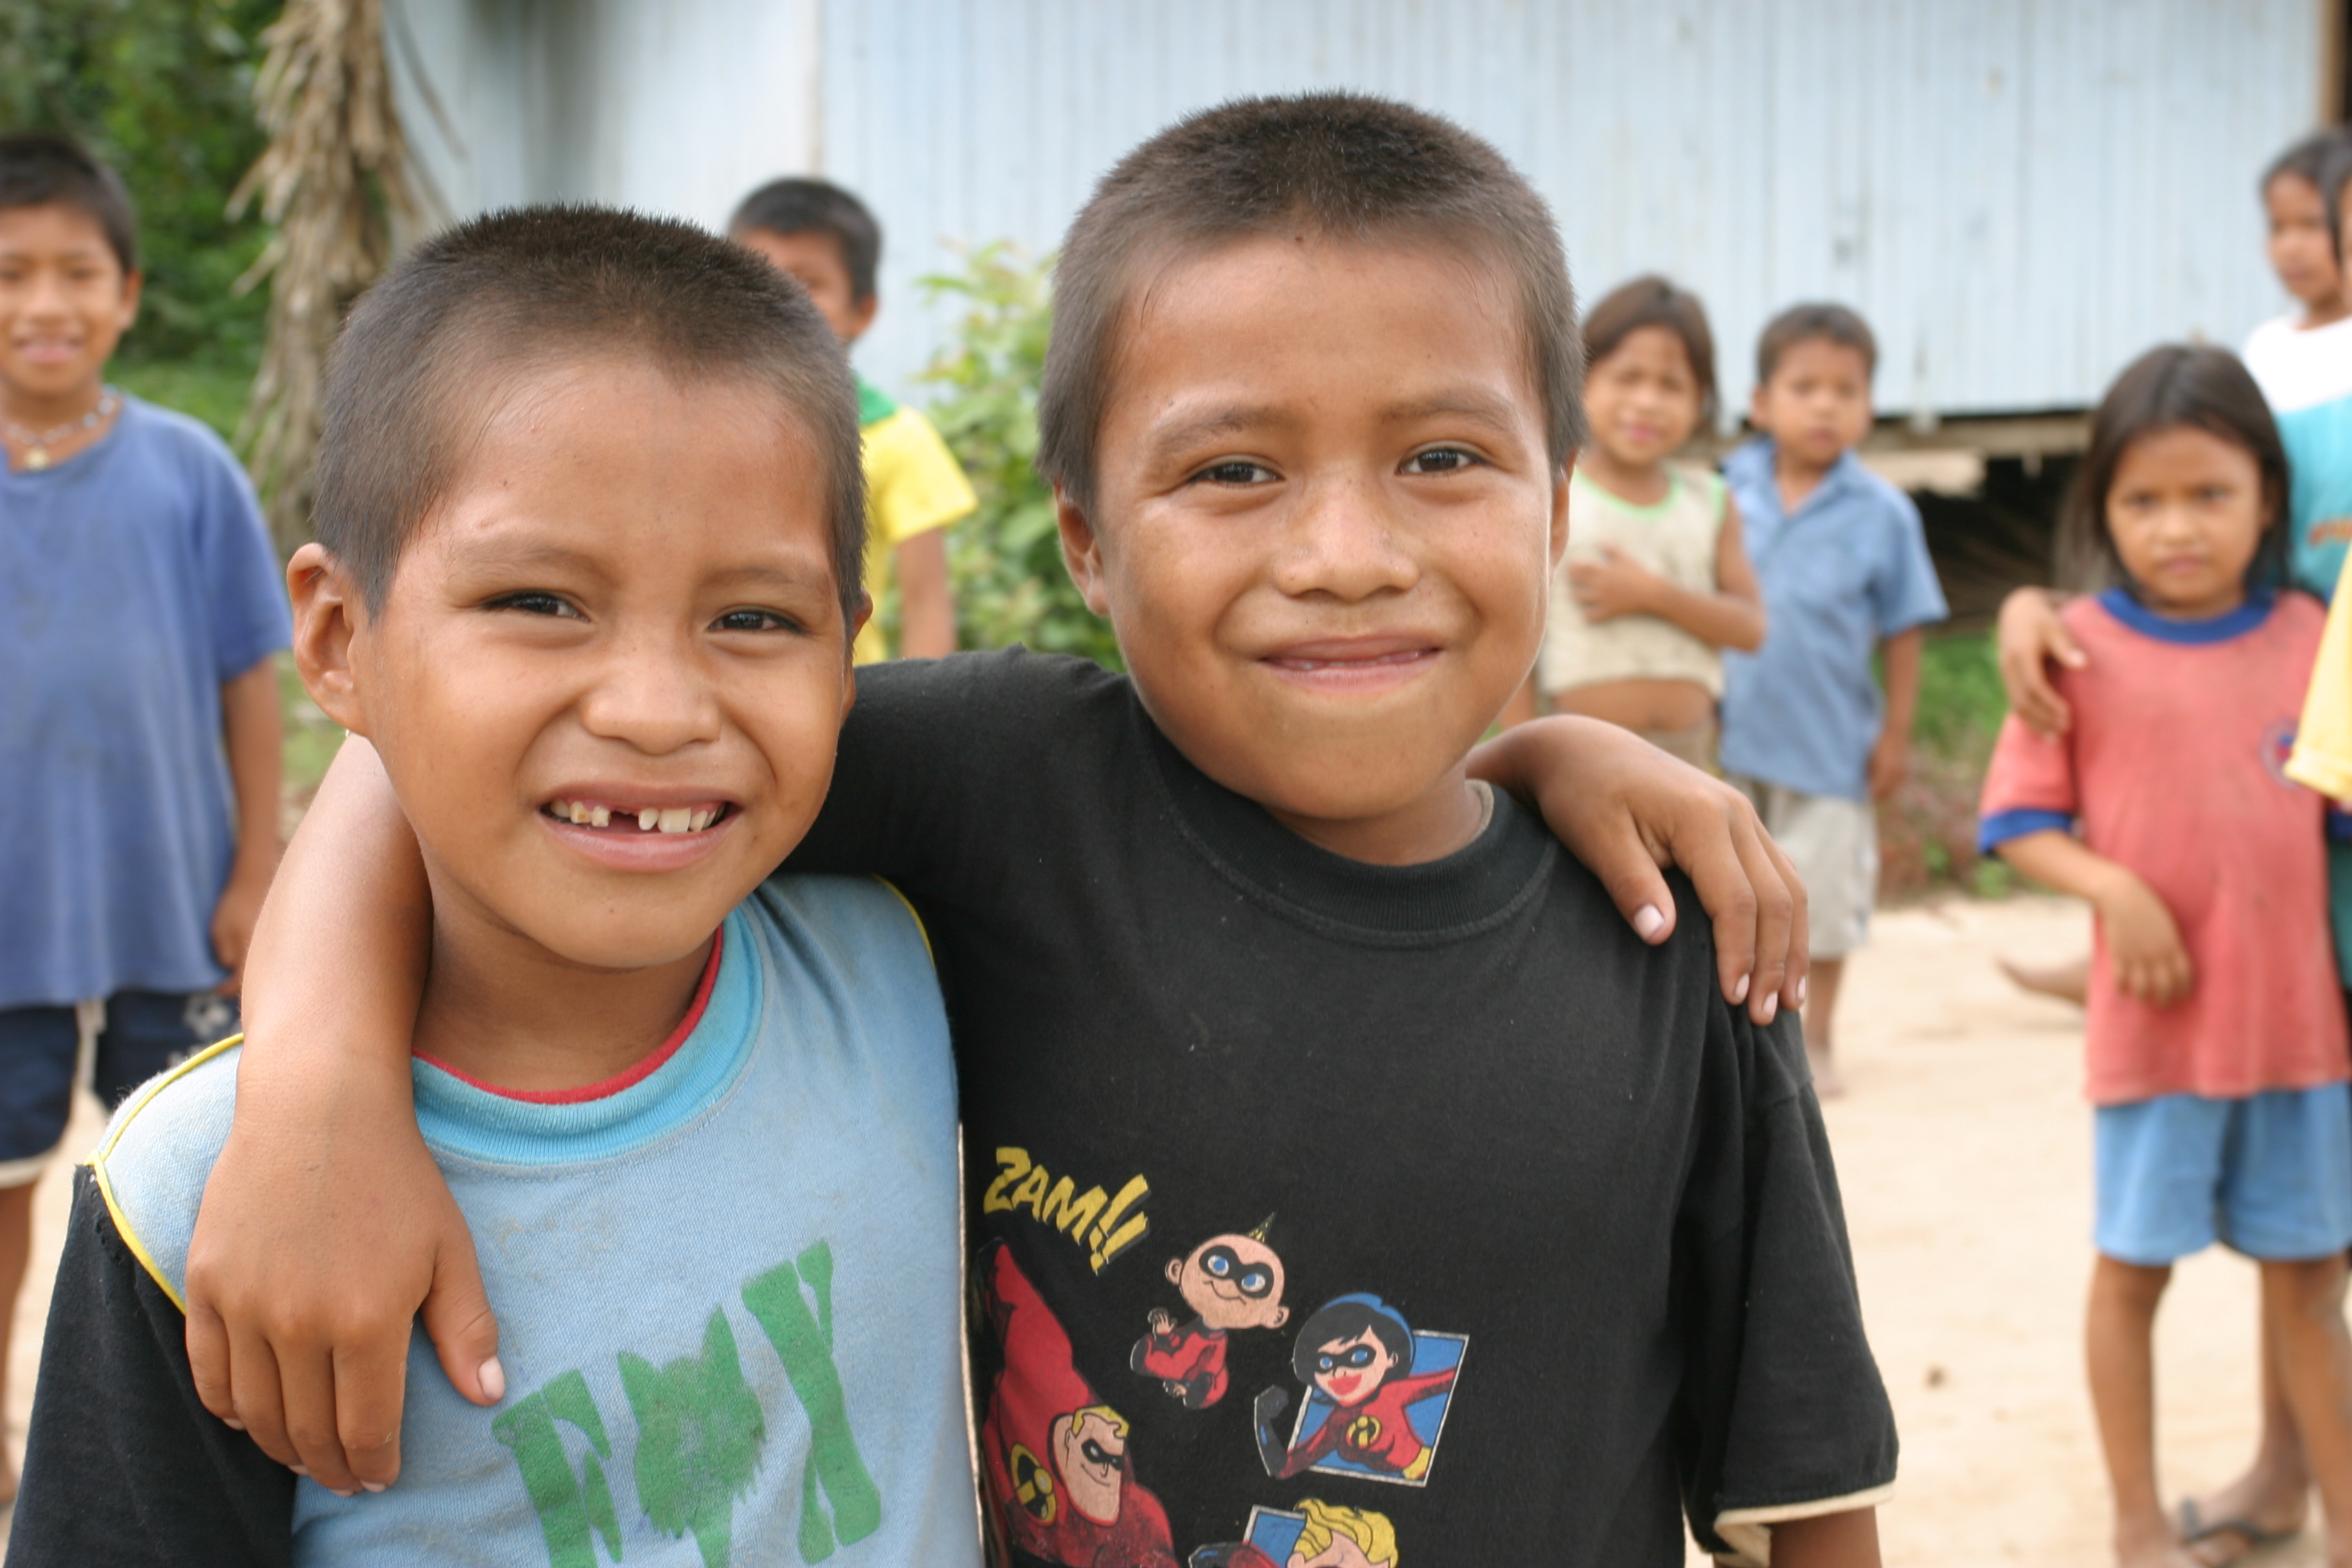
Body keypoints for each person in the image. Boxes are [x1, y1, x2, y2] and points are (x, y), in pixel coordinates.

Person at [181, 96, 1864, 1566]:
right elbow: (447, 753)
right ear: (1082, 536)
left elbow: (1805, 1496)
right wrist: (318, 1082)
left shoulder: (1674, 944)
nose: (1348, 550)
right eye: (1232, 473)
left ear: (1557, 509)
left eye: (1440, 455)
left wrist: (1549, 755)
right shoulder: (1001, 790)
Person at [7, 207, 985, 1564]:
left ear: (847, 657)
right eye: (539, 600)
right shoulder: (201, 1191)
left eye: (753, 618)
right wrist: (317, 1088)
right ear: (340, 640)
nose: (655, 709)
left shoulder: (910, 964)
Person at [1994, 130, 2352, 1560]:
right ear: (2100, 511)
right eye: (2143, 500)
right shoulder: (2080, 650)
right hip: (2154, 1037)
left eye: (2210, 494)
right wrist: (2113, 886)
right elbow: (2019, 822)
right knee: (2130, 1276)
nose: (2178, 526)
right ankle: (2138, 1521)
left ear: (2270, 500)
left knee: (2304, 1287)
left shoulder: (2308, 639)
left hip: (2299, 1039)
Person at [0, 132, 288, 1501]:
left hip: (172, 908)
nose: (41, 302)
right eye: (9, 272)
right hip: (8, 923)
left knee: (171, 1184)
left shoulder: (190, 471)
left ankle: (175, 1449)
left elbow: (251, 678)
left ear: (125, 294)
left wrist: (257, 868)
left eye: (74, 271)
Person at [1718, 302, 1949, 1096]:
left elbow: (1906, 628)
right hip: (1728, 736)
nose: (1824, 405)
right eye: (1804, 386)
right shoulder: (1724, 492)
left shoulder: (1884, 512)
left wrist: (1896, 733)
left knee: (1821, 901)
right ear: (1760, 401)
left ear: (1869, 407)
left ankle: (1814, 1039)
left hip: (1829, 745)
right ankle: (1733, 1043)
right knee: (1730, 890)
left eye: (1844, 390)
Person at [1504, 275, 1765, 769]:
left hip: (1690, 759)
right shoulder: (1553, 494)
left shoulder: (1712, 500)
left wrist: (1653, 595)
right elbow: (1515, 633)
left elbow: (1750, 628)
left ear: (1700, 401)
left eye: (1672, 385)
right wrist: (1520, 761)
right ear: (1580, 381)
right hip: (1580, 762)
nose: (1647, 401)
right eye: (1627, 377)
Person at [730, 176, 975, 662]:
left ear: (861, 311)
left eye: (807, 282)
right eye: (754, 275)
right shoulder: (692, 429)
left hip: (852, 709)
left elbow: (925, 603)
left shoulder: (898, 438)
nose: (776, 299)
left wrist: (917, 723)